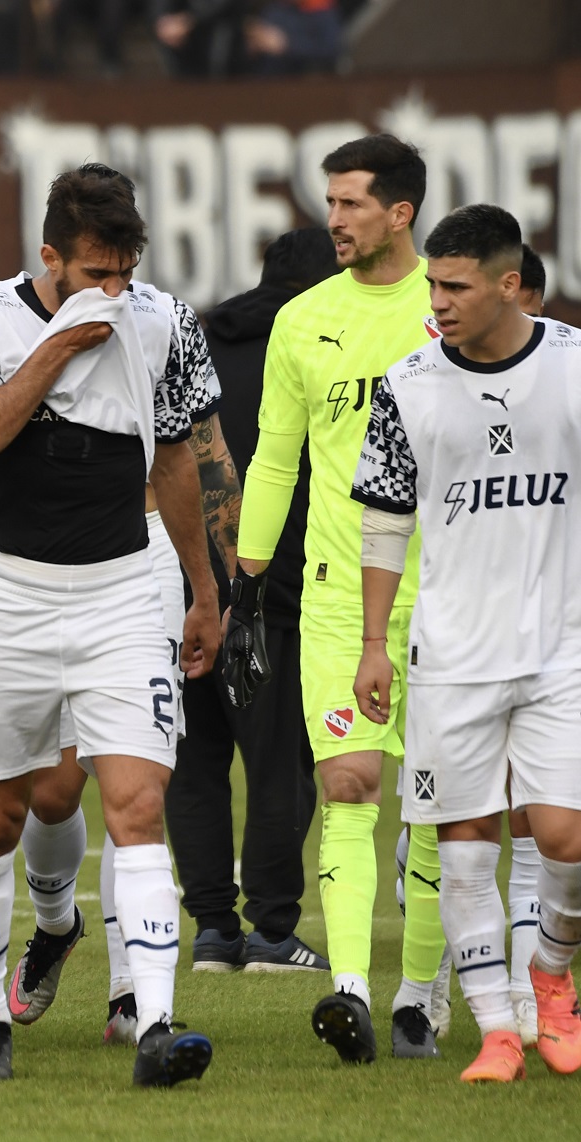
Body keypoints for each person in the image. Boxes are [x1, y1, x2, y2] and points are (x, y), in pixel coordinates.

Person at [0, 166, 222, 1087]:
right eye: (93, 271)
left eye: (125, 269)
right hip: (10, 594)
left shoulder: (168, 321)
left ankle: (155, 1024)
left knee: (138, 807)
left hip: (122, 592)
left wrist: (203, 589)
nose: (113, 290)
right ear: (49, 257)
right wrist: (60, 348)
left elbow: (177, 460)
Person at [228, 133, 448, 1063]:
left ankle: (423, 997)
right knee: (349, 785)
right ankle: (354, 991)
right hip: (330, 598)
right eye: (331, 201)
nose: (336, 218)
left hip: (448, 594)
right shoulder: (303, 318)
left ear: (401, 211)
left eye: (353, 202)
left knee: (442, 807)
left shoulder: (451, 306)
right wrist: (244, 582)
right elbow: (279, 457)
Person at [352, 202, 581, 1084]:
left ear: (510, 283)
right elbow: (383, 524)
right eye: (432, 285)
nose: (437, 301)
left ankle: (552, 978)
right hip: (449, 655)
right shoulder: (407, 383)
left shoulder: (569, 366)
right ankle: (496, 1029)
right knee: (465, 846)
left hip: (560, 649)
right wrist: (375, 642)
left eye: (454, 286)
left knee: (565, 837)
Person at [166, 227, 338, 973]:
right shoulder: (320, 351)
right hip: (276, 587)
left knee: (195, 759)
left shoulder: (198, 347)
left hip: (180, 585)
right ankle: (271, 929)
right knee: (278, 763)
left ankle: (211, 928)